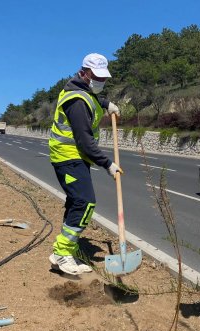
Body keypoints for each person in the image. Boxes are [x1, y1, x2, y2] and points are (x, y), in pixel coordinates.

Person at [48, 53, 123, 275]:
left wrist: (107, 103)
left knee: (75, 202)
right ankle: (62, 252)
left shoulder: (81, 91)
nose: (101, 81)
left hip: (75, 157)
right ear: (84, 73)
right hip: (68, 156)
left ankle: (65, 250)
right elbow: (84, 140)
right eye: (96, 77)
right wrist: (107, 164)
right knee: (85, 202)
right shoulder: (77, 102)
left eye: (104, 78)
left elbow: (92, 97)